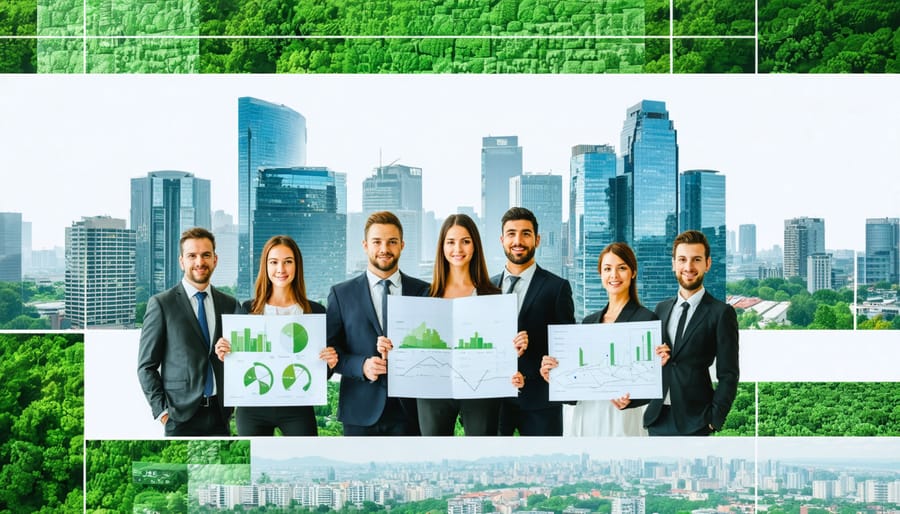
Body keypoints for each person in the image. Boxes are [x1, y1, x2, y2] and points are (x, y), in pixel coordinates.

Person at [612, 230, 740, 436]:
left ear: (707, 264)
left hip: (696, 421)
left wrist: (714, 420)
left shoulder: (721, 313)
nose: (688, 267)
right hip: (657, 418)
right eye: (682, 259)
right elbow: (652, 368)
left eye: (696, 259)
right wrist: (631, 400)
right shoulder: (661, 309)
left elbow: (729, 375)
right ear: (674, 264)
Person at [213, 235, 338, 436]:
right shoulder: (247, 309)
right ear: (266, 266)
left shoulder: (316, 312)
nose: (281, 269)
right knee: (253, 464)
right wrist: (224, 352)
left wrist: (330, 364)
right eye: (274, 262)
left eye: (288, 262)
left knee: (305, 459)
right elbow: (237, 363)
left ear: (297, 266)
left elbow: (320, 374)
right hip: (252, 406)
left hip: (297, 406)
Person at [416, 213, 527, 436]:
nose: (458, 249)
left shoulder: (494, 296)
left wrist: (516, 348)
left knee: (481, 450)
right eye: (451, 242)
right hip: (433, 388)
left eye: (465, 241)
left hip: (481, 389)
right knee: (433, 454)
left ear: (475, 246)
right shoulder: (424, 297)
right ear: (442, 248)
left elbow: (501, 349)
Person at [540, 242, 666, 436]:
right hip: (587, 414)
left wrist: (631, 401)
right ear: (600, 274)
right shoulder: (589, 322)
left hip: (621, 417)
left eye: (621, 268)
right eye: (607, 269)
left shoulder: (646, 320)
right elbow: (579, 381)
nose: (614, 275)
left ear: (633, 273)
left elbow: (654, 382)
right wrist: (555, 378)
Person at [326, 211, 430, 436]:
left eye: (392, 242)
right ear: (365, 245)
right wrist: (361, 365)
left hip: (409, 412)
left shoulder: (423, 292)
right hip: (359, 411)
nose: (384, 249)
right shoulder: (341, 294)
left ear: (402, 245)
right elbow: (331, 352)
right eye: (377, 242)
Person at [137, 227, 241, 436]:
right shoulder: (162, 304)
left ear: (215, 260)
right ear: (181, 261)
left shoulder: (229, 304)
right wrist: (163, 412)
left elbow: (240, 357)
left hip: (220, 416)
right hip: (180, 417)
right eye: (192, 256)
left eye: (206, 255)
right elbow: (146, 366)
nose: (199, 262)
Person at [491, 207, 575, 436]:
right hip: (496, 402)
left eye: (526, 234)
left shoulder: (557, 288)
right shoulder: (486, 288)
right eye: (511, 234)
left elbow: (567, 347)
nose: (518, 240)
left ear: (537, 240)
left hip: (541, 402)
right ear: (502, 240)